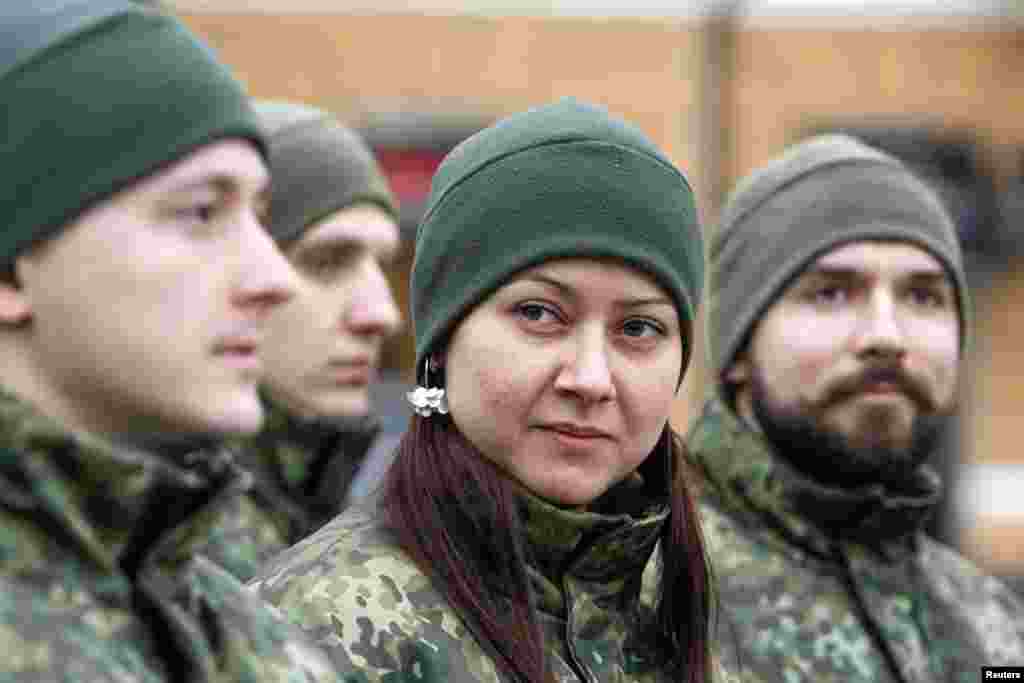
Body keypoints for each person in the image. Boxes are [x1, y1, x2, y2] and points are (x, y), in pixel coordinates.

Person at [249, 98, 720, 683]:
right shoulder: (319, 629)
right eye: (539, 313)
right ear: (442, 342)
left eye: (638, 328)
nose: (591, 378)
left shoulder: (682, 614)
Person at [0, 3, 344, 680]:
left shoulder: (237, 625)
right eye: (200, 212)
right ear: (12, 269)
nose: (274, 276)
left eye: (259, 215)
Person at [687, 133, 1024, 683]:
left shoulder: (993, 623)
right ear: (738, 350)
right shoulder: (640, 603)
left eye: (924, 296)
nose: (887, 336)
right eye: (831, 293)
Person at [201, 100, 403, 581]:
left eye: (384, 266)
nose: (382, 315)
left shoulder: (328, 518)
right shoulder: (170, 547)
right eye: (329, 261)